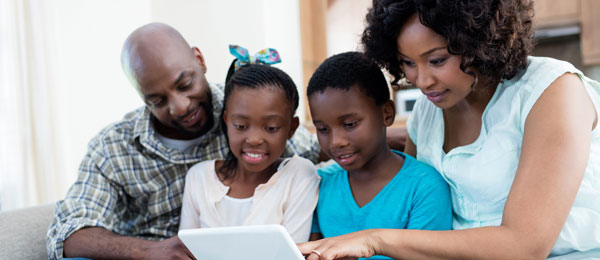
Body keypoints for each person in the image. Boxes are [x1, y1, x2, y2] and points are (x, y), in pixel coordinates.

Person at [298, 0, 600, 259]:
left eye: (437, 60)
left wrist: (373, 239)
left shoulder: (552, 90)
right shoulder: (430, 110)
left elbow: (525, 245)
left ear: (479, 41)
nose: (422, 80)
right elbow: (405, 180)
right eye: (407, 63)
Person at [45, 23, 320, 260]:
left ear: (199, 60)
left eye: (185, 84)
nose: (180, 107)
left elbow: (322, 152)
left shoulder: (245, 110)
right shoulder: (114, 147)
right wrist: (148, 252)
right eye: (157, 100)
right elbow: (68, 231)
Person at [306, 51, 452, 259]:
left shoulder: (424, 187)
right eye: (322, 129)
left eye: (349, 124)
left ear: (386, 114)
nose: (336, 141)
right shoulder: (320, 183)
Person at [179, 55, 320, 243]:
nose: (254, 140)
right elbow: (186, 250)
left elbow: (292, 253)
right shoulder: (199, 179)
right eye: (241, 126)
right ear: (227, 120)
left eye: (271, 128)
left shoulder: (299, 175)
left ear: (291, 128)